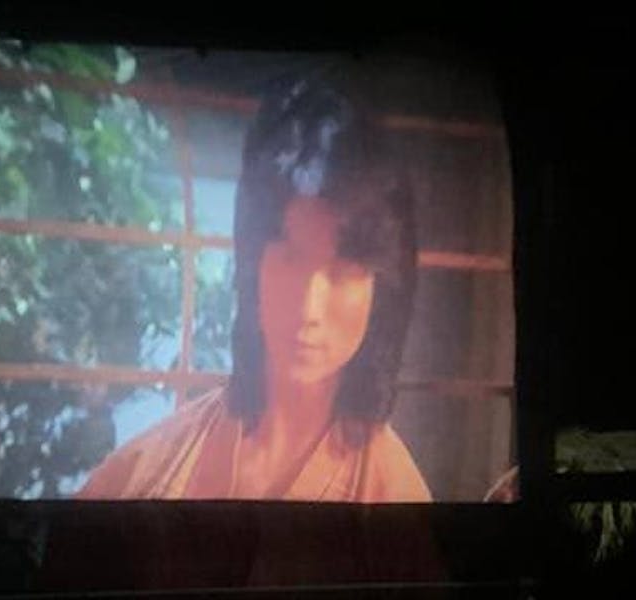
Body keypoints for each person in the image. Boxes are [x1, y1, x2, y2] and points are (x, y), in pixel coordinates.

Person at [77, 75, 430, 502]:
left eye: (341, 272)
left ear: (381, 291)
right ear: (252, 264)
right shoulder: (145, 467)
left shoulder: (395, 493)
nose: (309, 307)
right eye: (290, 258)